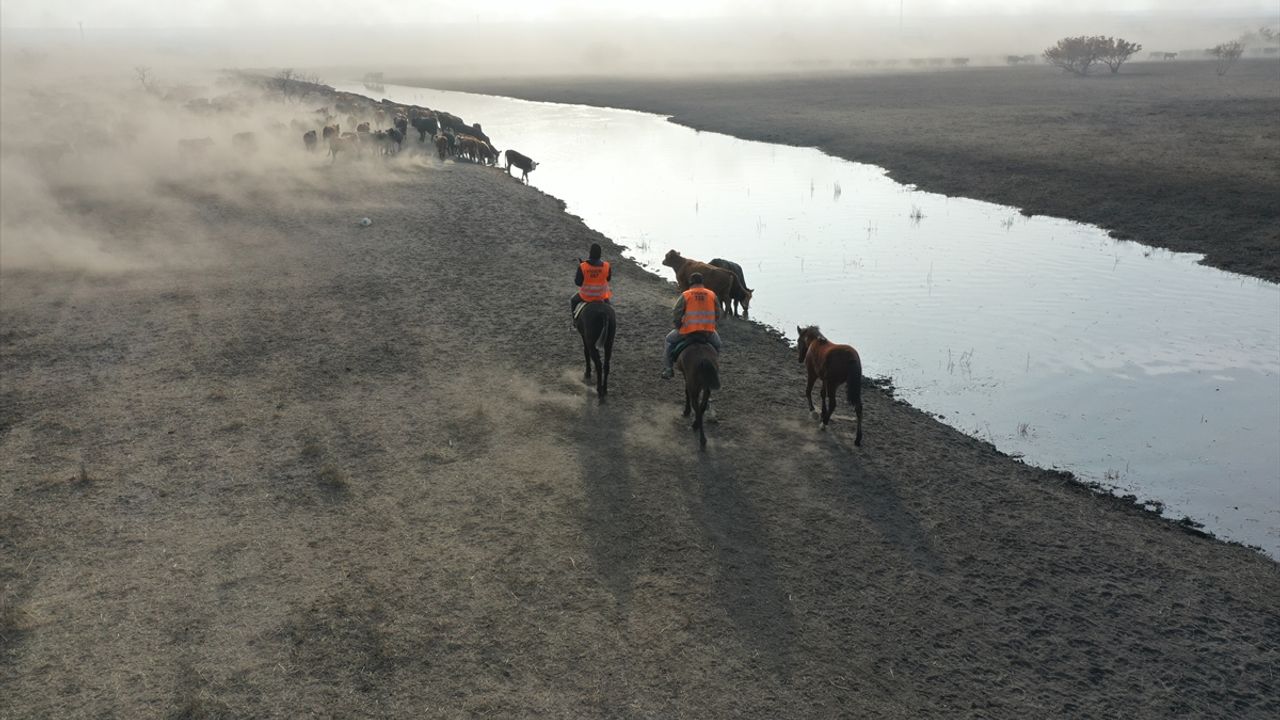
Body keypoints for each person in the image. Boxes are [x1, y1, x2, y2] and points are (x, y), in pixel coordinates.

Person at [661, 272, 722, 379]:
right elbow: (718, 313)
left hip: (688, 331)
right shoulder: (712, 294)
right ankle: (716, 366)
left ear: (690, 283)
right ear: (702, 282)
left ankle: (668, 369)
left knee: (669, 340)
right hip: (707, 332)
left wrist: (679, 325)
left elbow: (677, 312)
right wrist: (711, 324)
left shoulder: (686, 294)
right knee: (718, 344)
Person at [571, 242, 611, 329]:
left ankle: (574, 322)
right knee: (610, 309)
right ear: (600, 254)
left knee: (573, 300)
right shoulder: (606, 265)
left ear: (590, 253)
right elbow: (608, 279)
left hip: (586, 296)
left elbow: (578, 282)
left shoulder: (583, 266)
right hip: (602, 296)